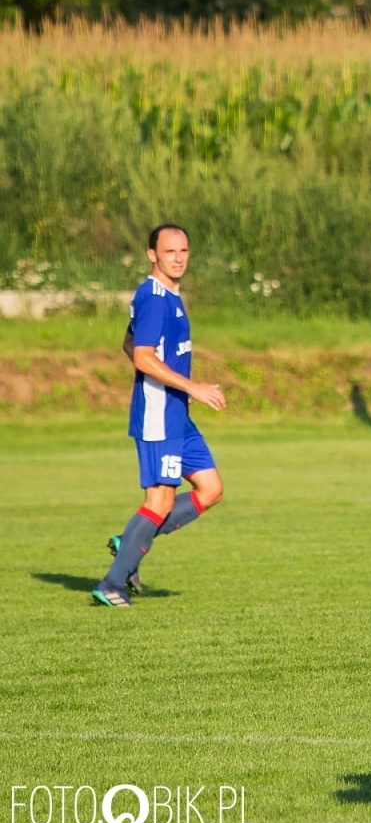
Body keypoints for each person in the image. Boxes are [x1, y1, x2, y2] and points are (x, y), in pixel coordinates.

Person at [93, 225, 228, 608]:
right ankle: (112, 583)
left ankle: (132, 542)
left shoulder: (171, 295)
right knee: (160, 502)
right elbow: (141, 355)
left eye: (184, 250)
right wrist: (193, 387)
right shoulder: (153, 297)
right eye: (170, 251)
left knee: (211, 489)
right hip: (159, 413)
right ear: (153, 254)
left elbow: (129, 342)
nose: (178, 257)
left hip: (176, 414)